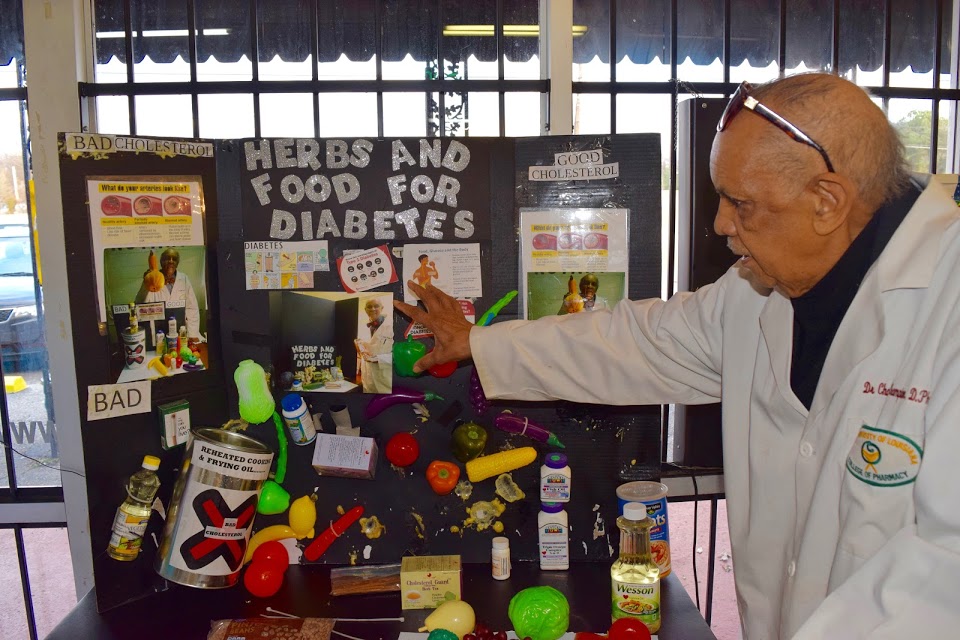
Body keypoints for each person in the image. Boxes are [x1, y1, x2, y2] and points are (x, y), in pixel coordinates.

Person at [396, 73, 960, 638]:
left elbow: (942, 576)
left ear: (826, 202)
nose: (720, 224)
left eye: (741, 203)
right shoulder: (753, 295)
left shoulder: (946, 305)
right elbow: (632, 343)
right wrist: (477, 342)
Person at [135, 247, 200, 339]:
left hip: (179, 330)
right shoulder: (152, 278)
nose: (171, 261)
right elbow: (139, 303)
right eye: (167, 258)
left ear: (177, 263)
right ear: (161, 262)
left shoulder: (184, 278)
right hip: (158, 331)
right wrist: (146, 283)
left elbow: (192, 308)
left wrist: (193, 334)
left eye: (174, 259)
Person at [356, 297, 392, 393]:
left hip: (384, 378)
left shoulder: (391, 327)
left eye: (376, 306)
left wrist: (378, 359)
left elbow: (399, 354)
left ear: (382, 308)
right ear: (365, 310)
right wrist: (359, 347)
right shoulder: (362, 328)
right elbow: (363, 348)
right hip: (368, 378)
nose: (372, 309)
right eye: (369, 307)